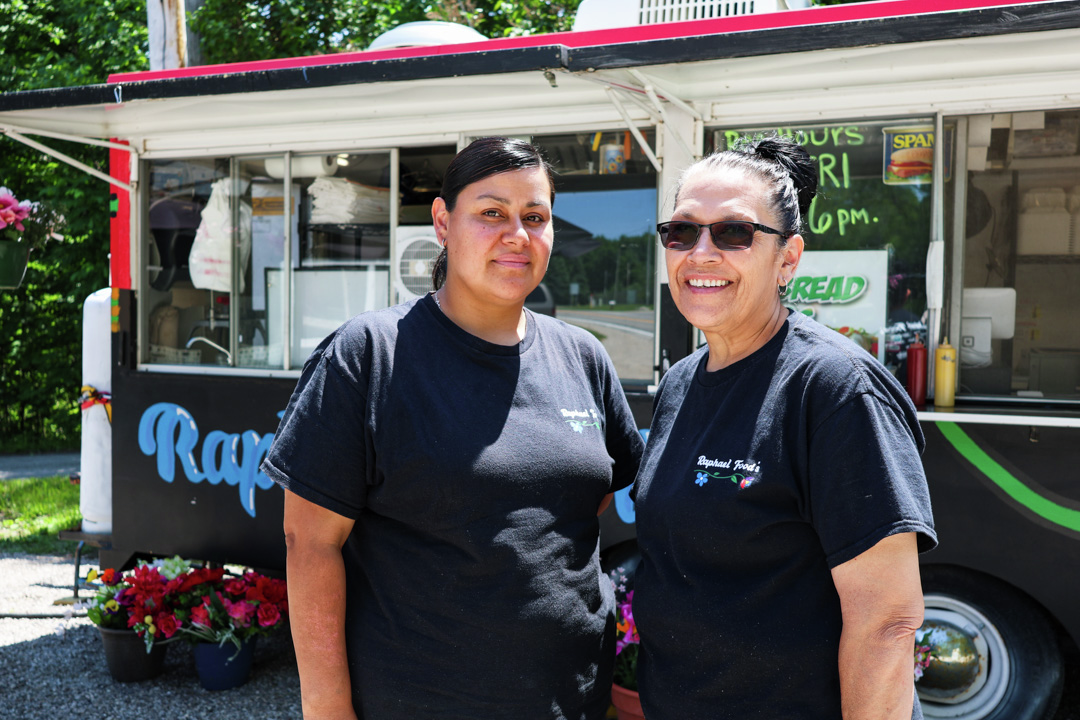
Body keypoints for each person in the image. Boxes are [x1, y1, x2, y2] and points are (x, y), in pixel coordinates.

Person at [261, 136, 644, 720]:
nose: (517, 233)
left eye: (535, 217)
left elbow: (575, 506)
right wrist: (328, 709)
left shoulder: (582, 356)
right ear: (443, 222)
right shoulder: (370, 355)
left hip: (574, 700)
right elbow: (310, 544)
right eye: (491, 213)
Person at [631, 135, 937, 720]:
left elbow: (888, 622)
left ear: (788, 258)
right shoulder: (681, 383)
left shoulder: (836, 389)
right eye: (681, 231)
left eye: (734, 233)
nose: (701, 252)